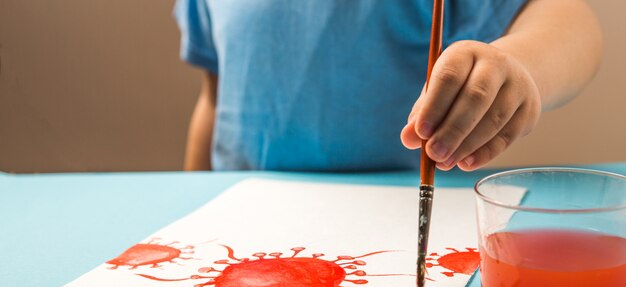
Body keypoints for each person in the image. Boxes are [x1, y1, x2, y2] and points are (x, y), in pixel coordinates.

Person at [174, 0, 602, 172]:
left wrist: (522, 65)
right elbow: (214, 98)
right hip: (242, 224)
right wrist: (193, 204)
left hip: (396, 230)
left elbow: (567, 19)